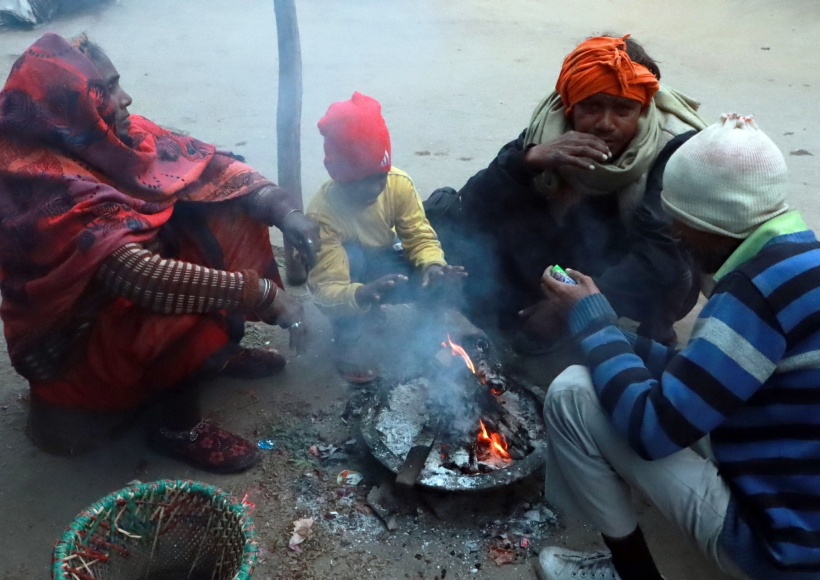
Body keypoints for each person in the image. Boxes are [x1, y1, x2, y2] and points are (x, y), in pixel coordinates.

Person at [0, 33, 321, 473]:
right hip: (78, 339)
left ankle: (216, 352)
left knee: (218, 206)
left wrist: (284, 211)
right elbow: (140, 277)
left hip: (123, 295)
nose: (126, 98)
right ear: (70, 109)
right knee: (175, 309)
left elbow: (212, 168)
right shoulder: (40, 184)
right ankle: (176, 428)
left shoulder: (111, 138)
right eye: (108, 90)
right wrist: (264, 294)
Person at [525, 114, 820, 580]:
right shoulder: (800, 260)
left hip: (781, 551)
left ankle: (632, 571)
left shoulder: (752, 295)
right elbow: (704, 377)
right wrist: (610, 332)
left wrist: (594, 319)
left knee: (573, 393)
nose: (675, 232)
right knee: (618, 372)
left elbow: (653, 428)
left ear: (713, 222)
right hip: (799, 505)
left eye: (681, 220)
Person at [426, 34, 706, 351]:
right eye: (592, 107)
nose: (605, 124)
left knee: (673, 264)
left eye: (623, 110)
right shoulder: (551, 125)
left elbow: (660, 259)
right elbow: (473, 206)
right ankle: (528, 310)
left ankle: (652, 330)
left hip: (631, 261)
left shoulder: (671, 147)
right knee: (447, 218)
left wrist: (567, 306)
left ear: (642, 110)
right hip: (570, 254)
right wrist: (526, 161)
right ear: (571, 105)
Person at [307, 92, 466, 383]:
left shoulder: (398, 184)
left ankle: (429, 333)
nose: (373, 189)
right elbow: (325, 290)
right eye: (360, 180)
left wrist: (433, 265)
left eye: (379, 176)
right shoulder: (322, 213)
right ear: (339, 175)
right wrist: (360, 294)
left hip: (383, 262)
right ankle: (348, 338)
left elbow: (419, 237)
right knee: (351, 256)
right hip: (350, 272)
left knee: (437, 268)